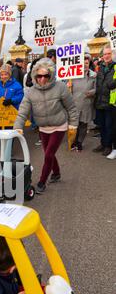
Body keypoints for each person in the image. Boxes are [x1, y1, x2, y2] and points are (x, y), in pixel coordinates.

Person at [13, 58, 78, 194]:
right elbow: (23, 111)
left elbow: (71, 108)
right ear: (34, 75)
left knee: (48, 154)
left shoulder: (60, 87)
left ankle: (42, 182)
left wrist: (73, 125)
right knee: (49, 153)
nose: (42, 79)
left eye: (46, 76)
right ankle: (56, 173)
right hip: (43, 127)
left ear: (51, 75)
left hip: (59, 125)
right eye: (39, 76)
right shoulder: (30, 92)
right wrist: (18, 127)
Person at [70, 53, 96, 151]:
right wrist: (68, 85)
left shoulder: (93, 75)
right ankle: (74, 141)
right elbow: (67, 90)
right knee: (75, 124)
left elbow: (96, 89)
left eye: (87, 62)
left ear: (89, 63)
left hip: (86, 104)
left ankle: (79, 142)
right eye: (83, 63)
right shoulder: (73, 75)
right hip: (75, 104)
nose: (85, 65)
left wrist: (92, 92)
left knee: (83, 124)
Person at [93, 45, 116, 157]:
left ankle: (108, 146)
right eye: (105, 54)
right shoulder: (100, 67)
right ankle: (103, 143)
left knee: (109, 126)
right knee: (101, 125)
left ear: (112, 54)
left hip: (110, 102)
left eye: (108, 53)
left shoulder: (115, 67)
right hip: (99, 100)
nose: (106, 56)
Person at [107, 64, 116, 159]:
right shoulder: (114, 68)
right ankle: (115, 150)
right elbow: (110, 85)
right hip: (114, 103)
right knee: (114, 128)